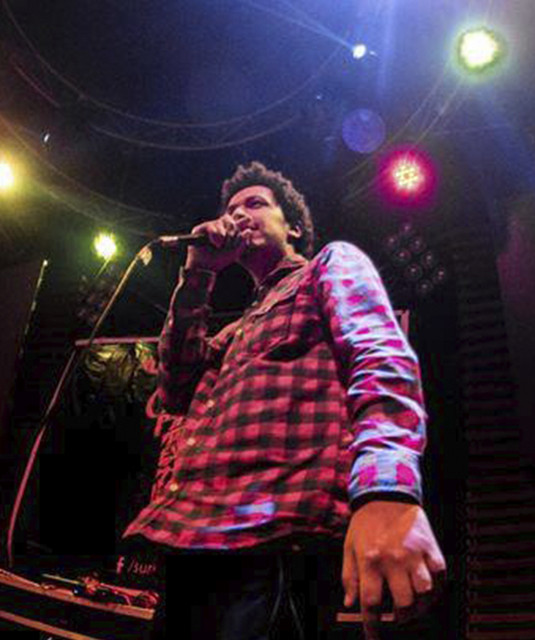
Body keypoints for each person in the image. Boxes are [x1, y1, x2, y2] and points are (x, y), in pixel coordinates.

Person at [122, 161, 446, 639]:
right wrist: (198, 272)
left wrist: (385, 491)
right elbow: (174, 390)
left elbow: (379, 357)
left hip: (276, 539)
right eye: (232, 209)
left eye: (255, 204)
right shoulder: (234, 332)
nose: (238, 215)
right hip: (191, 540)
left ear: (292, 226)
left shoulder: (328, 266)